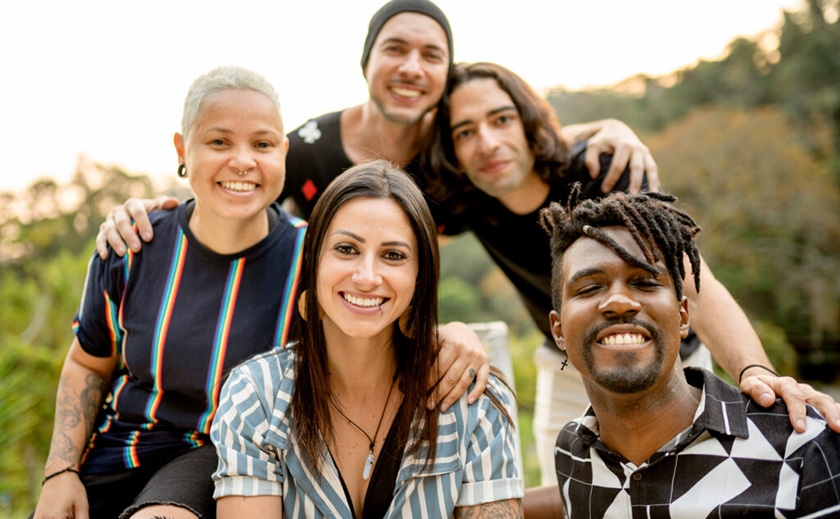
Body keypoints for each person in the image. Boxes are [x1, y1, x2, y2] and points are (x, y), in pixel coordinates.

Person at [96, 0, 663, 413]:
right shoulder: (313, 147)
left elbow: (518, 145)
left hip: (405, 351)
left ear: (444, 76)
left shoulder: (453, 157)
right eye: (395, 48)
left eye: (431, 55)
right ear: (366, 62)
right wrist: (154, 209)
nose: (411, 67)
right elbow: (238, 186)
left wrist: (607, 126)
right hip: (310, 357)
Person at [32, 66, 307, 519]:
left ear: (283, 151)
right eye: (219, 142)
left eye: (262, 144)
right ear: (183, 149)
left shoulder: (313, 262)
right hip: (117, 455)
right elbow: (87, 363)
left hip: (230, 464)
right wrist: (60, 471)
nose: (242, 160)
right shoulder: (130, 248)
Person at [211, 160, 523, 518]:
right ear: (313, 259)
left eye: (393, 255)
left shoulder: (474, 401)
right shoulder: (257, 396)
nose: (367, 276)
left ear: (420, 276)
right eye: (346, 249)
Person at [537, 188, 840, 518]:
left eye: (645, 282)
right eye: (590, 288)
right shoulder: (572, 453)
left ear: (683, 317)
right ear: (558, 331)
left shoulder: (802, 444)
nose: (619, 302)